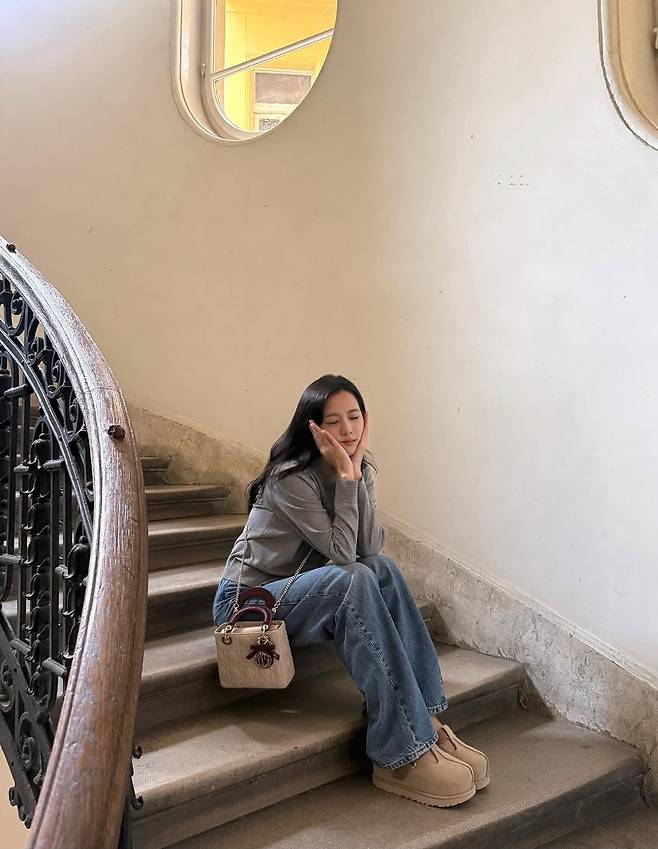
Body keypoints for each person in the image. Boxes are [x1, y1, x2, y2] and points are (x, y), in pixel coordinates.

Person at [212, 374, 489, 807]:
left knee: (382, 569)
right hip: (250, 602)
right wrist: (346, 475)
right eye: (334, 421)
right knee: (352, 578)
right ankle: (398, 753)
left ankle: (426, 718)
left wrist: (354, 474)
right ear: (313, 428)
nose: (347, 430)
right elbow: (343, 554)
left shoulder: (358, 467)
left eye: (355, 416)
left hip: (299, 592)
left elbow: (370, 547)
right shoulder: (290, 478)